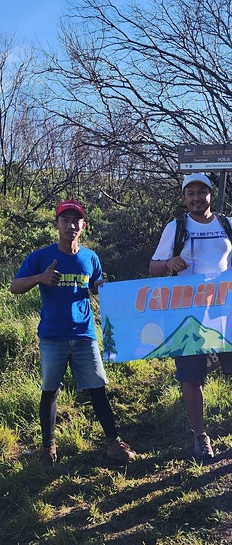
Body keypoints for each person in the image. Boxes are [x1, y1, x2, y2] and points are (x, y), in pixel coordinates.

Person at [149, 173, 232, 460]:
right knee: (192, 376)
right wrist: (169, 263)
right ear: (184, 198)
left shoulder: (228, 224)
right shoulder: (175, 228)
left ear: (211, 194)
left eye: (202, 192)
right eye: (191, 194)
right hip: (188, 313)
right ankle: (201, 437)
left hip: (227, 310)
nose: (197, 198)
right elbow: (153, 268)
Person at [10, 199, 136, 467]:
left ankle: (113, 444)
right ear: (56, 224)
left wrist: (101, 286)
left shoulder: (90, 257)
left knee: (98, 389)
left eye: (75, 220)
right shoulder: (41, 257)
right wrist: (39, 279)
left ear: (83, 225)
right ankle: (48, 449)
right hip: (52, 337)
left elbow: (92, 287)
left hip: (84, 335)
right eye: (65, 220)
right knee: (50, 391)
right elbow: (14, 286)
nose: (70, 225)